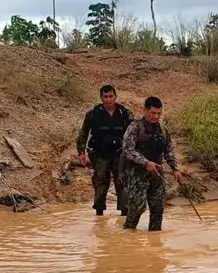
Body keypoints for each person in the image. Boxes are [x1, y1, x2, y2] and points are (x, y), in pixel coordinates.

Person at [120, 96, 181, 231]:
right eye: (153, 113)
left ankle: (154, 239)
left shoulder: (162, 128)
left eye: (159, 113)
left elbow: (168, 150)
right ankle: (128, 234)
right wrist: (145, 162)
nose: (156, 116)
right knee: (137, 207)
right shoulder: (134, 127)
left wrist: (175, 168)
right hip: (137, 172)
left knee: (158, 207)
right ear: (145, 111)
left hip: (157, 173)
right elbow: (127, 149)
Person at [75, 84, 133, 216]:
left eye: (111, 96)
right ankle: (99, 211)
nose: (108, 99)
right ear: (101, 98)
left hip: (120, 153)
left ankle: (125, 212)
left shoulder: (125, 113)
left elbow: (132, 133)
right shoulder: (93, 114)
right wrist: (81, 152)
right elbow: (83, 133)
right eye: (105, 96)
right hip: (100, 153)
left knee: (122, 180)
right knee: (100, 180)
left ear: (115, 97)